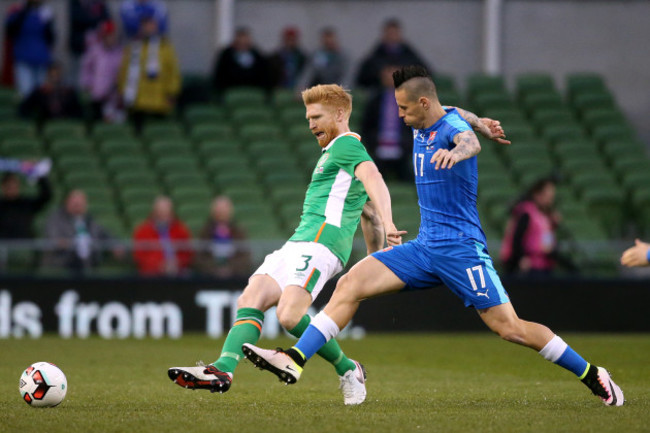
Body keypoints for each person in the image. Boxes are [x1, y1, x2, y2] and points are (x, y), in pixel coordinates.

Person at [242, 66, 625, 407]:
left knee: (510, 328)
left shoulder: (451, 131)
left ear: (423, 103)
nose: (400, 115)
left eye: (405, 109)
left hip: (462, 251)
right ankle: (295, 358)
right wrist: (481, 121)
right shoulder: (438, 118)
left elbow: (466, 138)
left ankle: (592, 373)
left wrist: (463, 149)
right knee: (349, 284)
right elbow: (461, 113)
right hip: (426, 248)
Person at [168, 83, 401, 406]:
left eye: (317, 116)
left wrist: (390, 222)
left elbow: (375, 179)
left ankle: (349, 369)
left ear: (340, 114)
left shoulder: (348, 146)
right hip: (298, 242)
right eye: (307, 118)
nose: (311, 124)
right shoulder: (334, 155)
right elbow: (370, 213)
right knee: (252, 297)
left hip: (321, 243)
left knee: (291, 315)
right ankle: (222, 369)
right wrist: (378, 256)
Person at [118, 13, 180, 132]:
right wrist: (123, 91)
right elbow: (124, 72)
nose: (149, 28)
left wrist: (172, 92)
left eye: (152, 25)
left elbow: (172, 71)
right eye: (146, 25)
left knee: (159, 133)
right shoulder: (134, 48)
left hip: (159, 99)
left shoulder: (165, 48)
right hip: (138, 100)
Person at [500, 177, 575, 276]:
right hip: (529, 266)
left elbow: (547, 241)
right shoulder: (526, 213)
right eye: (547, 195)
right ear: (537, 195)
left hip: (544, 265)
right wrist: (521, 258)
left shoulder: (546, 215)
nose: (550, 199)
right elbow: (517, 238)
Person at [42, 189, 116, 274]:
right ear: (66, 203)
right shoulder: (56, 219)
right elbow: (54, 239)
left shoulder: (90, 220)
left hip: (89, 265)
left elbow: (105, 234)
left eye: (80, 203)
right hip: (63, 263)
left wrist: (115, 244)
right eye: (75, 203)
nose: (77, 206)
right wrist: (70, 243)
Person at [361, 64, 413, 181]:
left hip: (402, 151)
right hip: (378, 150)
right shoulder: (374, 100)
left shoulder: (409, 101)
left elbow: (415, 127)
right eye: (387, 73)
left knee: (410, 180)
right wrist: (373, 144)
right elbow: (366, 127)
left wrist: (407, 145)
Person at [355, 18, 429, 89]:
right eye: (390, 33)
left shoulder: (409, 55)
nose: (392, 37)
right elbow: (362, 79)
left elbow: (426, 73)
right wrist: (381, 74)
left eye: (394, 33)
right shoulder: (375, 56)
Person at [4, 0, 55, 98]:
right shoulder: (18, 11)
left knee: (41, 92)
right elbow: (10, 32)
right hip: (23, 55)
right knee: (26, 92)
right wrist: (23, 13)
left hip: (41, 57)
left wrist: (48, 22)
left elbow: (50, 38)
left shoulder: (45, 13)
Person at [132, 196, 193, 276]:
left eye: (167, 213)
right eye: (161, 213)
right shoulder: (142, 231)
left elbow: (187, 254)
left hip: (178, 272)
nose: (164, 217)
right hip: (151, 275)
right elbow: (139, 257)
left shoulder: (181, 230)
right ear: (154, 213)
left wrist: (177, 263)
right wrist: (159, 265)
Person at [194, 196, 251, 278]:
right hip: (209, 279)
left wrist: (230, 268)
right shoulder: (205, 232)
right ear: (213, 212)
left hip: (234, 279)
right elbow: (198, 258)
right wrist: (215, 269)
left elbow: (245, 257)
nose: (222, 214)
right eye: (219, 211)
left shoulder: (239, 232)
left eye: (224, 210)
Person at [80, 19, 124, 122]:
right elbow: (86, 69)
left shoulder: (120, 52)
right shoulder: (94, 51)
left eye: (112, 35)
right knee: (98, 122)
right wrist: (88, 84)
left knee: (115, 122)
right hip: (97, 94)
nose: (111, 38)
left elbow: (123, 72)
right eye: (108, 35)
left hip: (114, 95)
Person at [0, 161, 52, 240]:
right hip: (4, 246)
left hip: (26, 245)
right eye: (9, 186)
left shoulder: (26, 204)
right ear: (3, 187)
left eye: (14, 185)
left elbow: (46, 196)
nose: (12, 188)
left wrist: (39, 175)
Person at [19, 62, 84, 123]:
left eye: (57, 75)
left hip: (65, 123)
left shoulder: (69, 92)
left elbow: (78, 112)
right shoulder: (40, 92)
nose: (55, 78)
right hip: (45, 124)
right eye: (52, 76)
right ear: (48, 76)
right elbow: (24, 109)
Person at [212, 27, 270, 96]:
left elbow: (264, 71)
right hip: (232, 88)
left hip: (253, 88)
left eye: (245, 39)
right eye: (241, 38)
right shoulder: (227, 54)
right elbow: (220, 74)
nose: (243, 41)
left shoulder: (256, 54)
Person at [68, 0, 111, 84]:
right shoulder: (76, 2)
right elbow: (78, 18)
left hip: (98, 46)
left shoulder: (99, 3)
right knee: (79, 75)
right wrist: (96, 21)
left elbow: (107, 19)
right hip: (80, 46)